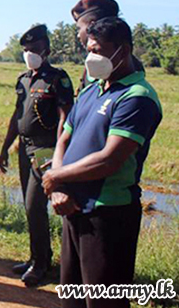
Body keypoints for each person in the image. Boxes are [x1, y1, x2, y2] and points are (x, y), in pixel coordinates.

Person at [42, 17, 162, 308]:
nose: (91, 57)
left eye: (98, 50)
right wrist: (58, 184)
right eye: (89, 49)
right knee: (72, 298)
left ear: (124, 50)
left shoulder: (137, 97)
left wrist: (56, 178)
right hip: (72, 206)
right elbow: (64, 141)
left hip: (107, 215)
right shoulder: (91, 90)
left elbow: (109, 159)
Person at [0, 24, 74, 286]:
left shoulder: (57, 78)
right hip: (24, 146)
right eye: (26, 49)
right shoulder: (24, 79)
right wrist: (5, 146)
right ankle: (35, 258)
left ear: (47, 50)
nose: (30, 53)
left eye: (35, 49)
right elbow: (16, 116)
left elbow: (66, 116)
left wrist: (59, 153)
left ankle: (43, 265)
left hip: (45, 150)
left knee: (35, 205)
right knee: (31, 209)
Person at [70, 0, 144, 94]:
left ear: (91, 25)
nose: (78, 35)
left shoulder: (124, 67)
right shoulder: (94, 63)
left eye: (79, 28)